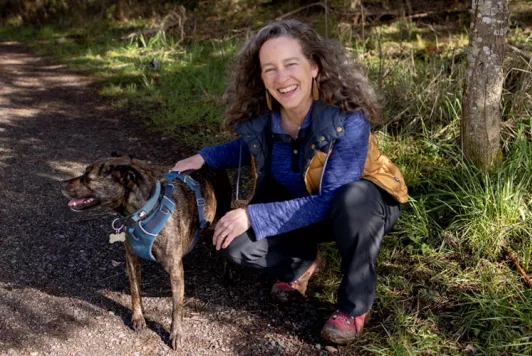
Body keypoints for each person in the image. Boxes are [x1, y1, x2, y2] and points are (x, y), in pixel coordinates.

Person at [172, 19, 408, 345]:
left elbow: (332, 198)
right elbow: (249, 146)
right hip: (303, 208)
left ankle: (353, 307)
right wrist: (205, 157)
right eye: (270, 69)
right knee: (234, 244)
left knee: (351, 199)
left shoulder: (348, 118)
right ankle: (302, 263)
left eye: (290, 64)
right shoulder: (269, 117)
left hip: (361, 206)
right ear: (261, 76)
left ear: (314, 66)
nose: (281, 78)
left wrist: (254, 215)